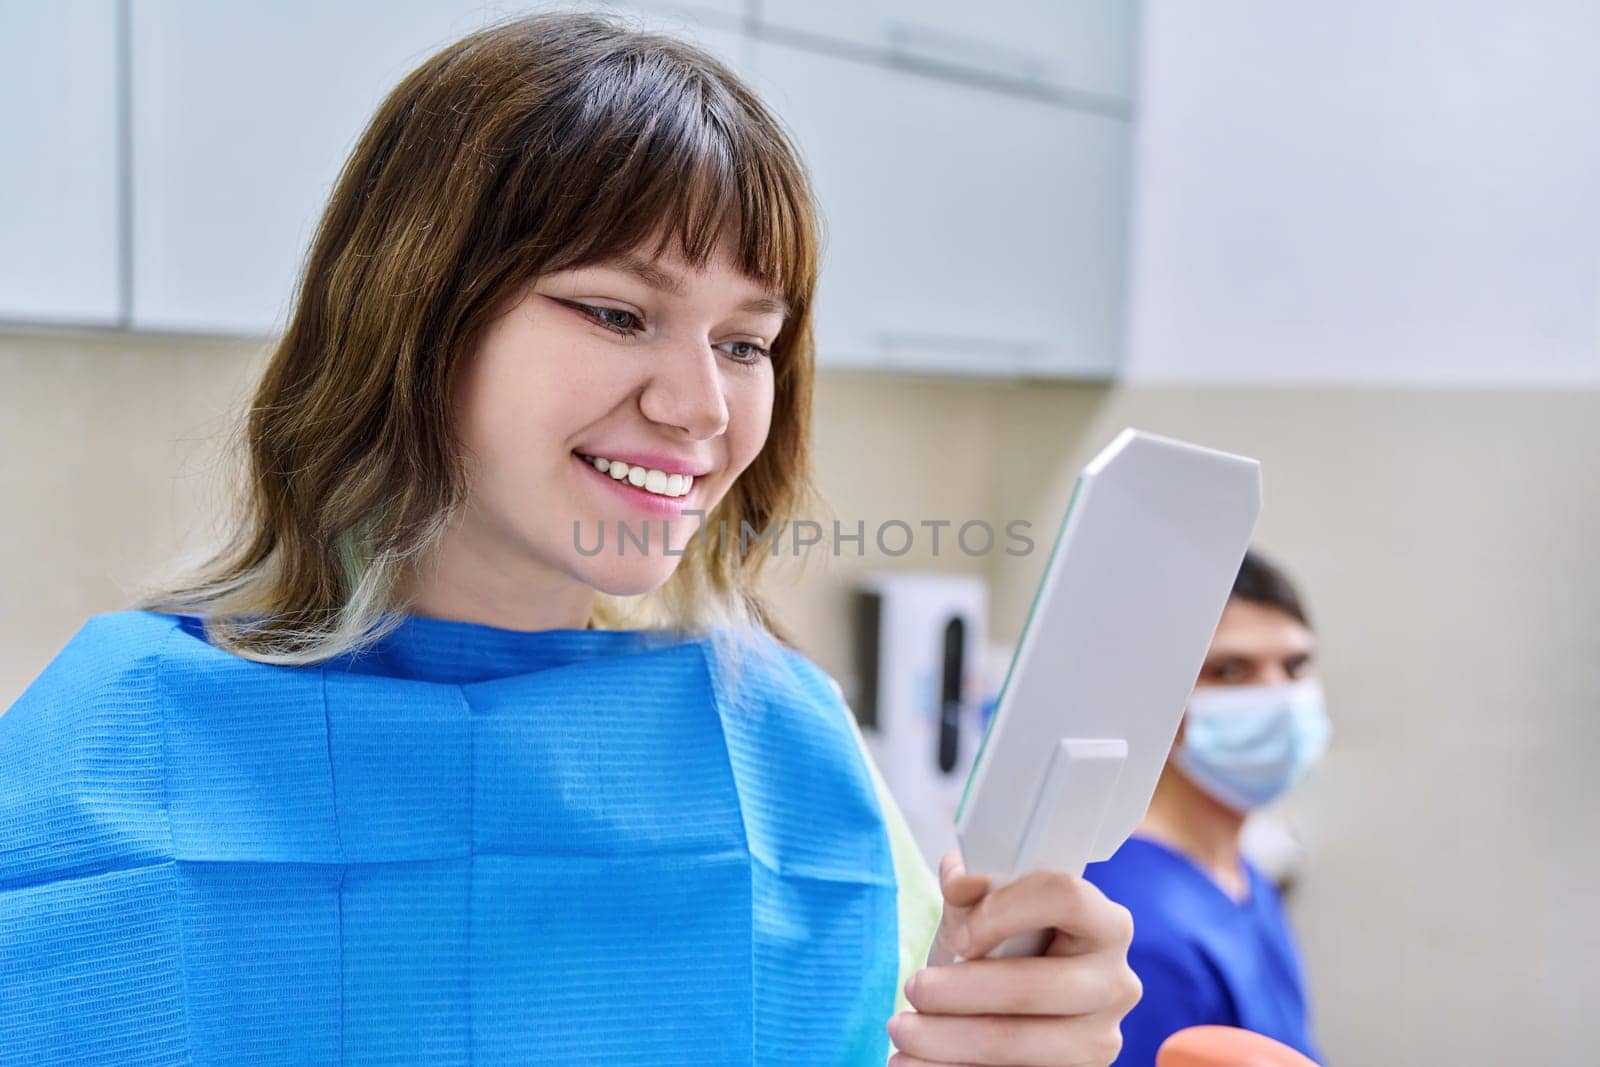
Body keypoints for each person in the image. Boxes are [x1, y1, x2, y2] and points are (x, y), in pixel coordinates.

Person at [0, 12, 1141, 1064]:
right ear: (412, 312)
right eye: (616, 313)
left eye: (747, 342)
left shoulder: (783, 743)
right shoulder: (120, 737)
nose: (700, 406)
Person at [1083, 550, 1330, 1065]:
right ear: (1153, 700)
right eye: (1231, 670)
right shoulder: (1134, 924)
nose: (1278, 697)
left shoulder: (1244, 880)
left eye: (1295, 665)